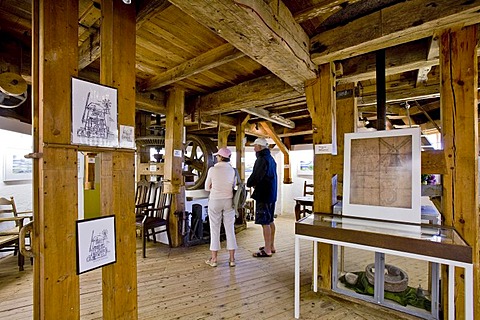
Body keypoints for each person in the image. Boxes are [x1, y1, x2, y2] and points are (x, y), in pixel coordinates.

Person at [204, 147, 237, 267]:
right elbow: (233, 186)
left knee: (214, 229)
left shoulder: (212, 170)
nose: (216, 157)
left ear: (220, 157)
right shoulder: (232, 170)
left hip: (215, 201)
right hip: (228, 201)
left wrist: (214, 186)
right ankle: (232, 259)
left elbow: (207, 187)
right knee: (230, 229)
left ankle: (214, 260)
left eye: (217, 156)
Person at [247, 137, 277, 257]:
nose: (254, 148)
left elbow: (256, 176)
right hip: (271, 194)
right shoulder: (271, 158)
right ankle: (271, 246)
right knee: (270, 221)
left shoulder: (261, 159)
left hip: (263, 194)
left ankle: (267, 250)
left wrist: (249, 183)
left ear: (259, 147)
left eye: (255, 146)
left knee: (265, 222)